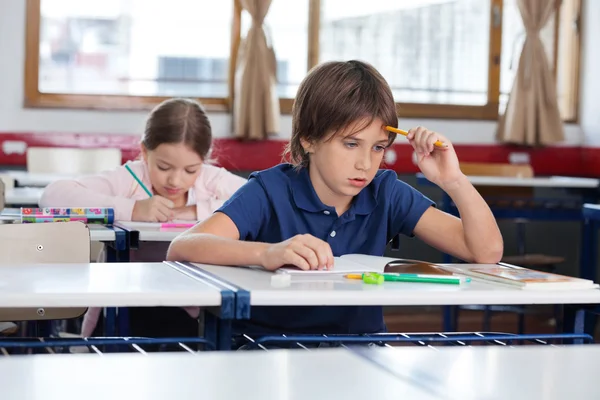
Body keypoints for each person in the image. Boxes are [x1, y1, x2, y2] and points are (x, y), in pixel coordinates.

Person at [166, 60, 503, 338]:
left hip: (359, 350)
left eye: (378, 148)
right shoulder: (271, 189)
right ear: (309, 139)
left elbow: (485, 253)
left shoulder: (385, 191)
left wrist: (453, 180)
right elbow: (184, 246)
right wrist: (266, 253)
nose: (365, 163)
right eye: (350, 144)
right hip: (269, 350)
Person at [41, 98, 247, 340]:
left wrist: (196, 212)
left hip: (195, 306)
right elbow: (52, 196)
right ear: (144, 152)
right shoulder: (130, 178)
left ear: (204, 159)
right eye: (163, 166)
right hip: (126, 304)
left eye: (190, 170)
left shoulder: (211, 180)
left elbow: (258, 202)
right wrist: (133, 209)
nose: (175, 181)